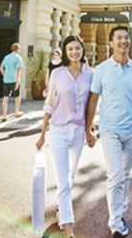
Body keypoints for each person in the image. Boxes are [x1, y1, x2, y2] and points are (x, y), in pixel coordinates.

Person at [86, 26, 132, 238]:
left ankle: (120, 211)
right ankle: (115, 224)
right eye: (119, 38)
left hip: (131, 130)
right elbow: (93, 99)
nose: (123, 41)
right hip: (109, 130)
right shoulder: (102, 70)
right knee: (115, 176)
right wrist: (89, 128)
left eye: (126, 37)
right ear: (112, 43)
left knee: (125, 175)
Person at [35, 35, 94, 238]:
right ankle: (69, 229)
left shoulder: (90, 74)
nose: (74, 52)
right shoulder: (57, 74)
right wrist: (42, 133)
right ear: (65, 52)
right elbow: (49, 103)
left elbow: (91, 106)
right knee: (63, 181)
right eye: (70, 49)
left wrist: (89, 130)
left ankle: (62, 209)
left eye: (77, 48)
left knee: (71, 177)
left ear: (82, 50)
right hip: (58, 130)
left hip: (78, 132)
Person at [0, 42, 24, 121]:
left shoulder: (6, 57)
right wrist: (18, 81)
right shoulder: (18, 58)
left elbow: (0, 68)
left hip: (6, 80)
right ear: (18, 49)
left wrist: (5, 75)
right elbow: (19, 71)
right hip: (14, 80)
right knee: (17, 96)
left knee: (5, 97)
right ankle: (16, 111)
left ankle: (4, 115)